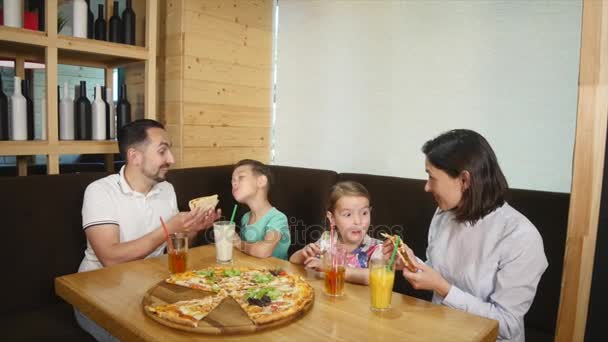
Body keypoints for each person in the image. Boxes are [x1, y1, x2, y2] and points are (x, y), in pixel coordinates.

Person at [384, 129, 547, 342]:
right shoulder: (445, 213)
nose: (426, 187)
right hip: (439, 331)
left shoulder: (520, 237)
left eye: (432, 177)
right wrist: (410, 263)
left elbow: (507, 325)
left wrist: (443, 288)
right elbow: (438, 271)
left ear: (464, 180)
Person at [75, 119, 221, 341]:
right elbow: (110, 258)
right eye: (162, 151)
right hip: (97, 295)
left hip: (150, 288)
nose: (171, 159)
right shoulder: (100, 192)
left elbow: (174, 247)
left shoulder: (166, 189)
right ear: (134, 156)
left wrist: (192, 229)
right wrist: (168, 229)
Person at [290, 181, 382, 285]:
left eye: (364, 213)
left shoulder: (377, 248)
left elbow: (373, 277)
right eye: (348, 215)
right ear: (332, 218)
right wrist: (303, 253)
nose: (358, 221)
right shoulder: (327, 240)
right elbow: (293, 261)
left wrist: (331, 268)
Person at [231, 159, 290, 259]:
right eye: (232, 180)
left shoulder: (278, 218)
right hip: (250, 272)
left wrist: (238, 243)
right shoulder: (245, 218)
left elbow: (263, 251)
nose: (234, 183)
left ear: (261, 181)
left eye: (240, 177)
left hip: (276, 273)